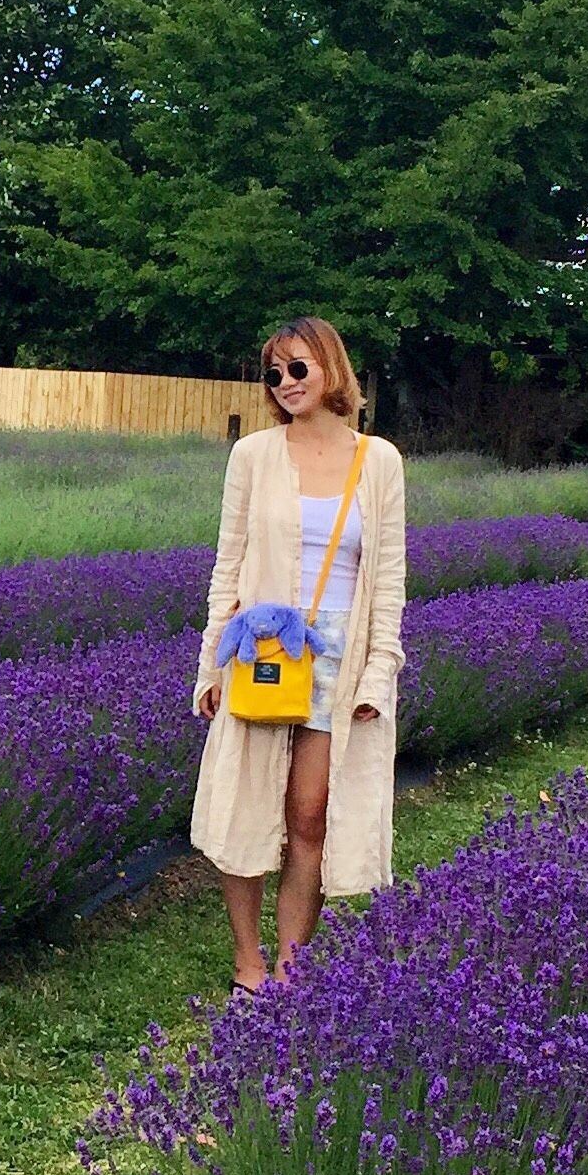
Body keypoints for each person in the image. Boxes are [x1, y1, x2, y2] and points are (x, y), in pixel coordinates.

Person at [190, 316, 410, 990]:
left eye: (297, 368)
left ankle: (292, 964)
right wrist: (210, 666)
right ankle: (247, 961)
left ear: (331, 369)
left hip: (339, 666)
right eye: (273, 373)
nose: (284, 383)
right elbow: (227, 568)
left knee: (310, 815)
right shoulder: (252, 456)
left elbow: (392, 581)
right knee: (245, 806)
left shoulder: (379, 461)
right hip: (261, 654)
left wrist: (379, 673)